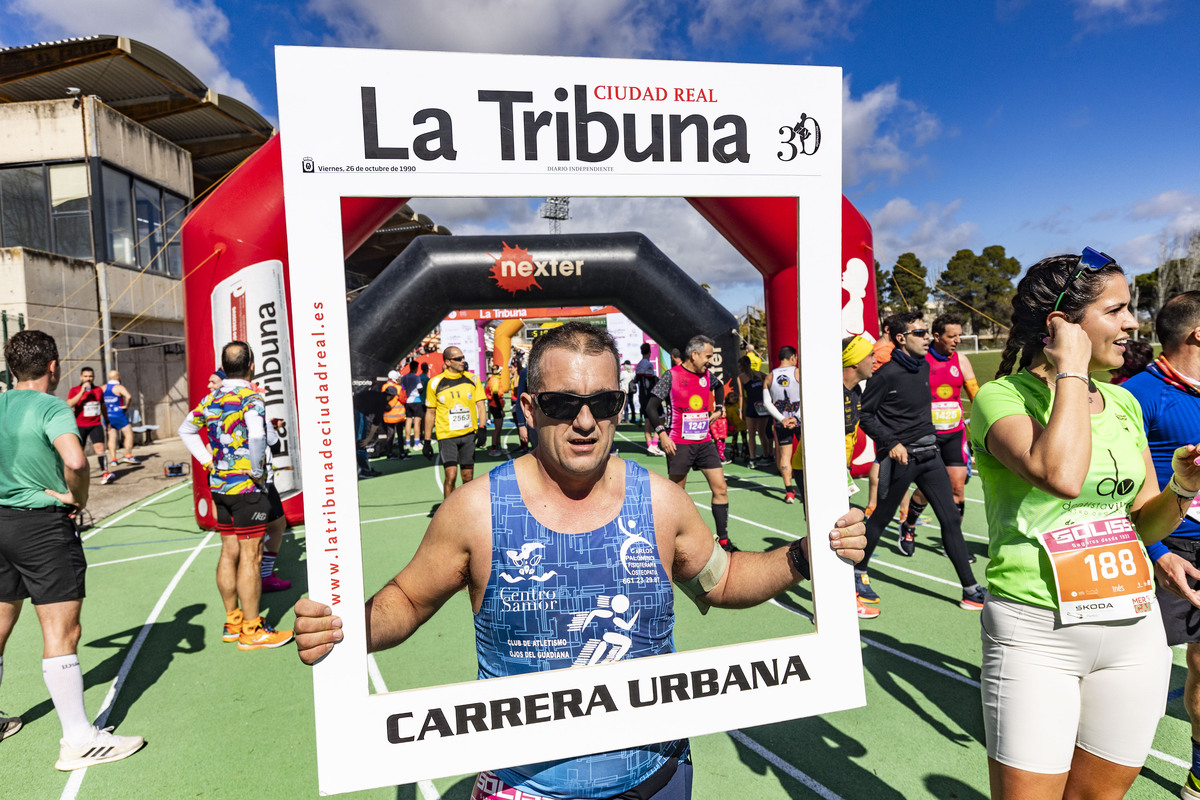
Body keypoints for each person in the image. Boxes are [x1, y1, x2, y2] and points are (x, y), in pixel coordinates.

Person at [293, 321, 869, 800]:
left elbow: (724, 581)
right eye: (564, 403)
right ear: (528, 407)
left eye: (604, 402)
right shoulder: (474, 510)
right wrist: (342, 628)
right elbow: (408, 600)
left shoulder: (662, 501)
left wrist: (805, 555)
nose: (586, 421)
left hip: (655, 776)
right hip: (525, 785)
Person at [970, 249, 1200, 800]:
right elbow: (1060, 474)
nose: (1132, 324)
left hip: (1132, 629)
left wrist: (1183, 488)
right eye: (1117, 310)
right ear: (1064, 322)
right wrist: (1070, 368)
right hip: (1036, 633)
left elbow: (1143, 523)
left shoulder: (1122, 402)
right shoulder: (1003, 398)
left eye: (1131, 310)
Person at [0, 330, 145, 769]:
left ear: (10, 369)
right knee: (62, 634)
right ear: (54, 367)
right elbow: (77, 460)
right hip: (41, 527)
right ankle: (79, 739)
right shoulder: (51, 406)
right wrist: (75, 498)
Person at [1121, 291, 1200, 799]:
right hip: (1169, 549)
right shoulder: (1135, 396)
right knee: (1130, 670)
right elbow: (1117, 493)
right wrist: (1157, 554)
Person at [856, 310, 984, 610]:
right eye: (920, 333)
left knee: (951, 517)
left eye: (927, 332)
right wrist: (891, 443)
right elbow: (865, 414)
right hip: (901, 459)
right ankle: (858, 572)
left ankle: (970, 588)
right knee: (881, 517)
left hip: (931, 455)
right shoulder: (886, 374)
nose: (927, 337)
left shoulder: (923, 367)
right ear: (901, 339)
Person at [178, 341, 294, 651]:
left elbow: (185, 430)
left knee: (228, 551)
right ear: (251, 366)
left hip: (219, 487)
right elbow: (258, 435)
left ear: (223, 366)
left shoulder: (212, 396)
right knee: (251, 557)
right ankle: (252, 630)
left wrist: (207, 460)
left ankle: (232, 621)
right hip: (246, 487)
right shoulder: (250, 395)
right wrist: (256, 469)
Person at [646, 336, 736, 553]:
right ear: (694, 355)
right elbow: (650, 407)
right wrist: (662, 435)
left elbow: (719, 387)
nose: (710, 362)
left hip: (705, 442)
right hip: (678, 444)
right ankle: (676, 543)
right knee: (678, 497)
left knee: (721, 488)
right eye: (707, 357)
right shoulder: (672, 376)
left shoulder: (706, 375)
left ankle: (723, 540)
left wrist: (719, 408)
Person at [903, 313, 981, 554]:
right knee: (930, 488)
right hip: (928, 436)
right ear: (936, 336)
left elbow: (976, 398)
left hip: (955, 434)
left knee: (958, 487)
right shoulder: (920, 361)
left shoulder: (962, 361)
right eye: (952, 336)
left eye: (959, 335)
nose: (957, 340)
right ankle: (909, 525)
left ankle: (954, 542)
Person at [842, 335, 879, 620]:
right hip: (819, 472)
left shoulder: (857, 392)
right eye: (870, 356)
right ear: (853, 362)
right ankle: (840, 602)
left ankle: (846, 594)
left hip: (839, 472)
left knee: (843, 534)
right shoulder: (831, 391)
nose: (874, 360)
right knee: (838, 535)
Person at [423, 347, 487, 499]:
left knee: (467, 477)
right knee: (450, 476)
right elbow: (430, 413)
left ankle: (466, 509)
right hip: (447, 436)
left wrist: (482, 428)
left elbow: (481, 406)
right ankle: (447, 511)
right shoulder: (435, 383)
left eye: (463, 357)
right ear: (447, 362)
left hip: (468, 435)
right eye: (458, 359)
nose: (462, 361)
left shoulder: (473, 379)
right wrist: (426, 441)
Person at [764, 346, 802, 504]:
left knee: (785, 456)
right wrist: (795, 417)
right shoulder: (798, 372)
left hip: (782, 422)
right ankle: (807, 486)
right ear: (793, 357)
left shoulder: (770, 376)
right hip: (799, 421)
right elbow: (808, 396)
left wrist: (782, 419)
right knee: (807, 452)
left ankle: (789, 492)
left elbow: (767, 403)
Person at [66, 366, 111, 485]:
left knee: (100, 448)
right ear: (81, 377)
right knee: (79, 451)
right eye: (86, 376)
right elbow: (69, 404)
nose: (88, 379)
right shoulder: (75, 390)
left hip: (95, 424)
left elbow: (102, 406)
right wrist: (82, 391)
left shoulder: (98, 390)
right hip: (80, 425)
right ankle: (78, 476)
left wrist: (107, 420)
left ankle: (105, 472)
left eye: (90, 376)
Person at [737, 355, 772, 466]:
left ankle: (753, 459)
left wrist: (740, 411)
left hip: (752, 406)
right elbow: (769, 378)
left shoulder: (741, 377)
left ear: (741, 366)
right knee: (762, 433)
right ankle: (766, 456)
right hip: (763, 405)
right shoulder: (758, 373)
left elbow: (741, 395)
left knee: (751, 435)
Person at [102, 370, 139, 467]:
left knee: (112, 437)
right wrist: (126, 406)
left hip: (107, 415)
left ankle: (113, 459)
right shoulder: (119, 387)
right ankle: (128, 455)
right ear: (117, 377)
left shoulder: (103, 388)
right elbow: (129, 396)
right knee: (128, 433)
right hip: (118, 414)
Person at [634, 342, 659, 452]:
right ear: (650, 352)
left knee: (647, 421)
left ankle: (650, 445)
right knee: (660, 419)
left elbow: (636, 380)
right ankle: (654, 443)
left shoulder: (638, 365)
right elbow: (650, 382)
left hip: (642, 397)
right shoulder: (648, 364)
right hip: (650, 397)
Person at [380, 370, 409, 460]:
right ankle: (402, 453)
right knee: (400, 434)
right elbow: (404, 400)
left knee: (390, 434)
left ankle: (390, 453)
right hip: (398, 415)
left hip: (388, 415)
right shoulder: (399, 388)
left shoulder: (384, 386)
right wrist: (403, 388)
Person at [400, 361, 425, 449]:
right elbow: (420, 389)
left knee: (408, 421)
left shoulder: (404, 377)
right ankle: (416, 443)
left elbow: (402, 387)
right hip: (416, 400)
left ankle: (407, 443)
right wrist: (421, 384)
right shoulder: (416, 377)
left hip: (407, 401)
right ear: (416, 368)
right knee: (417, 422)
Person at [485, 366, 506, 457]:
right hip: (495, 406)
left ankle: (498, 446)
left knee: (499, 428)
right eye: (500, 371)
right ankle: (493, 448)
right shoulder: (495, 380)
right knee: (498, 428)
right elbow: (495, 394)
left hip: (495, 405)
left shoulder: (493, 379)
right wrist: (500, 408)